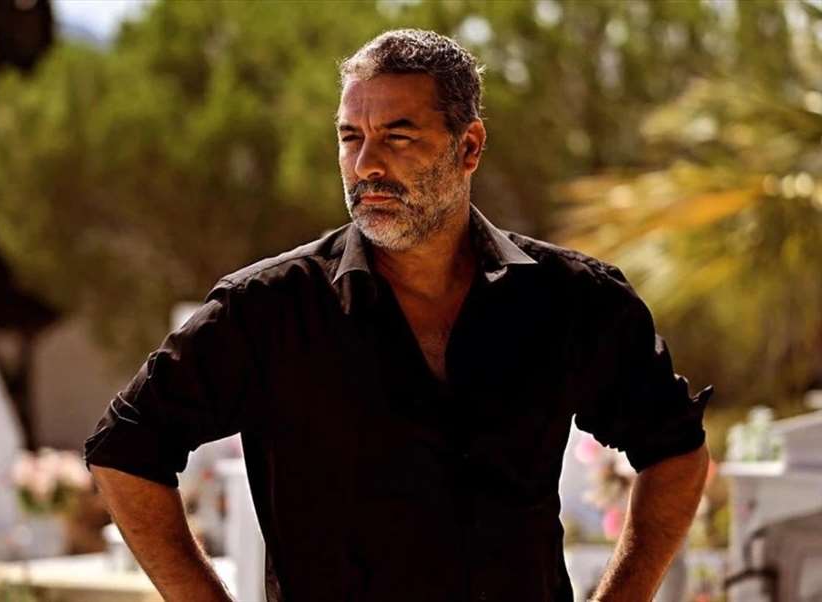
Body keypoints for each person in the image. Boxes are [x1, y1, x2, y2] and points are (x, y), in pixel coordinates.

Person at [84, 29, 713, 602]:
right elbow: (124, 450)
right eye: (350, 138)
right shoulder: (269, 309)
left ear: (469, 147)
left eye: (398, 136)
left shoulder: (570, 298)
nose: (366, 165)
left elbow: (675, 452)